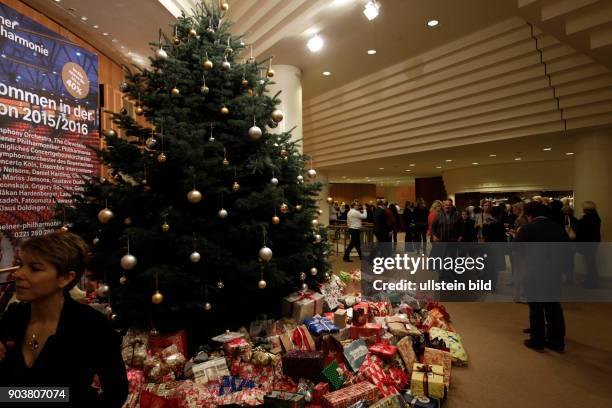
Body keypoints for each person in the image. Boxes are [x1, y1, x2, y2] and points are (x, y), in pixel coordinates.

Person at [0, 231, 128, 407]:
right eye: (21, 265)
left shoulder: (90, 325)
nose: (18, 274)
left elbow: (116, 392)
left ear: (66, 278)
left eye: (34, 268)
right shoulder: (13, 317)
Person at [514, 202, 567, 352]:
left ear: (529, 215)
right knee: (553, 306)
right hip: (554, 272)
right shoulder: (558, 228)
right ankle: (557, 342)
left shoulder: (528, 228)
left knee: (536, 307)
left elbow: (516, 249)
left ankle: (537, 341)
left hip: (533, 271)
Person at [576, 201, 601, 288]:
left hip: (587, 243)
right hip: (594, 242)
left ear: (586, 209)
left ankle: (591, 281)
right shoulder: (596, 217)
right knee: (591, 262)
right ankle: (592, 279)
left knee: (589, 262)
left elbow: (580, 229)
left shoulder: (586, 219)